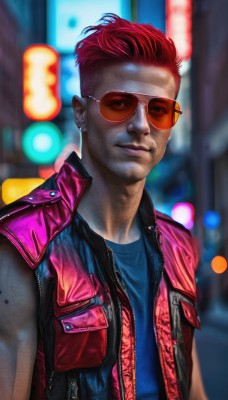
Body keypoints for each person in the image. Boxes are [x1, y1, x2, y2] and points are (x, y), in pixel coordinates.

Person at [0, 13, 207, 400]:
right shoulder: (24, 246)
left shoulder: (179, 245)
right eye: (119, 104)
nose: (141, 125)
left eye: (159, 109)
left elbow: (191, 387)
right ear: (81, 113)